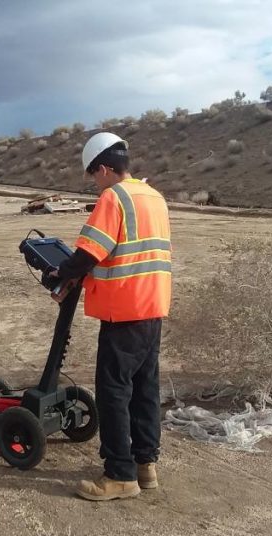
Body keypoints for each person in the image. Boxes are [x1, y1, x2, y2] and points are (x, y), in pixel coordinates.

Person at [54, 132, 172, 501]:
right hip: (152, 307)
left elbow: (90, 251)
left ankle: (120, 475)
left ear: (104, 169)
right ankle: (144, 465)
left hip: (123, 312)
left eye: (94, 175)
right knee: (144, 388)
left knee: (114, 392)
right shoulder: (153, 196)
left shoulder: (114, 197)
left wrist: (61, 273)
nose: (95, 183)